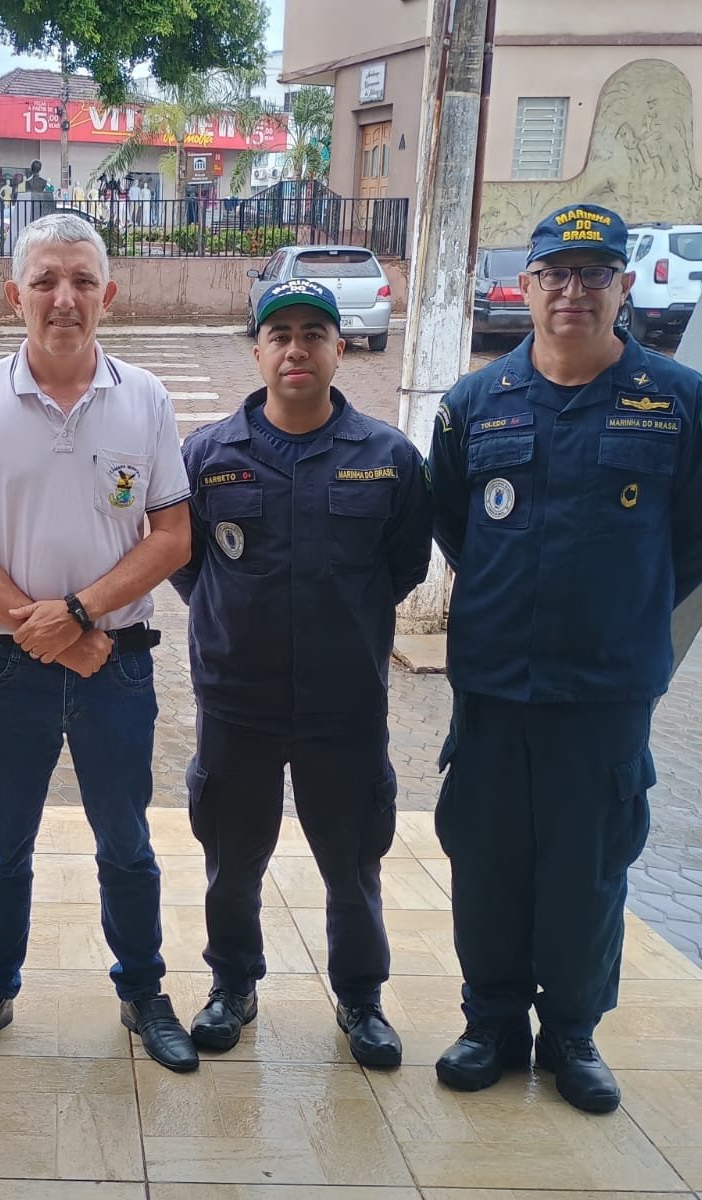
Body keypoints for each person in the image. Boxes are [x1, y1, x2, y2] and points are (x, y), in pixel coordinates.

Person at [428, 203, 702, 1112]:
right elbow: (455, 527)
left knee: (589, 863)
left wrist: (623, 606)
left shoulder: (683, 402)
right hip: (494, 687)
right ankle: (490, 1021)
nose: (573, 291)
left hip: (606, 692)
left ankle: (571, 1033)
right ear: (526, 287)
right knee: (487, 858)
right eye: (554, 274)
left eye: (593, 273)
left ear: (624, 286)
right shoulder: (473, 406)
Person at [0, 213, 199, 1072]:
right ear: (15, 295)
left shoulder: (145, 398)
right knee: (4, 843)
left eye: (81, 280)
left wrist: (79, 616)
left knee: (127, 840)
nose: (64, 298)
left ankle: (144, 992)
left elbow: (171, 535)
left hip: (115, 661)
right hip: (8, 666)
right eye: (45, 280)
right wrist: (43, 632)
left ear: (108, 295)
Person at [171, 280, 432, 1064]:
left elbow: (403, 567)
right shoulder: (209, 456)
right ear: (256, 350)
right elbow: (186, 566)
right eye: (279, 334)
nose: (296, 349)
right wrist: (232, 625)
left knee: (353, 863)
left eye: (313, 333)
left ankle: (361, 1000)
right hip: (237, 702)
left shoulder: (388, 459)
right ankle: (231, 987)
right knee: (232, 860)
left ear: (338, 349)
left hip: (344, 706)